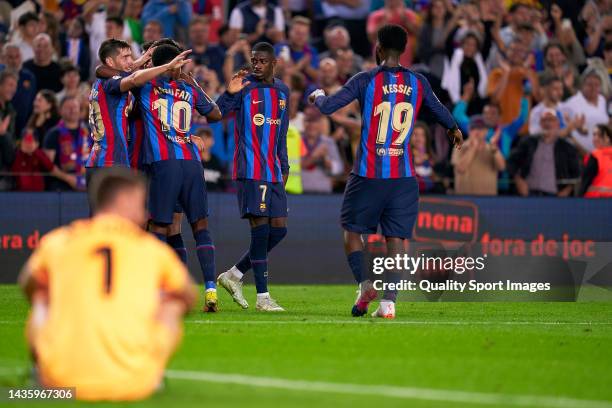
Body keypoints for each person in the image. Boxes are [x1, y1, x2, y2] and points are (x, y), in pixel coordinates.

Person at [308, 24, 462, 319]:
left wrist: (317, 97)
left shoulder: (365, 80)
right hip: (403, 177)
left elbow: (329, 108)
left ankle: (365, 284)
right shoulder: (418, 82)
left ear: (378, 48)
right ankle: (389, 303)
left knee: (352, 232)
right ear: (404, 49)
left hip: (368, 174)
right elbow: (439, 109)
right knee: (397, 240)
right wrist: (453, 128)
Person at [19, 168, 196, 401]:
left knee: (43, 293)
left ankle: (41, 369)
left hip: (60, 381)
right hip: (134, 383)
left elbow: (27, 283)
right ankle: (153, 374)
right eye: (141, 203)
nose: (145, 214)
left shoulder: (60, 240)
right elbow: (189, 296)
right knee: (172, 301)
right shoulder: (151, 250)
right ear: (125, 201)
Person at [131, 44, 222, 312]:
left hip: (164, 163)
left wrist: (145, 65)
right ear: (173, 64)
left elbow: (124, 79)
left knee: (159, 228)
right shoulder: (188, 88)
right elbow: (215, 114)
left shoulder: (145, 87)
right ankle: (210, 291)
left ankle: (159, 291)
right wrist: (191, 80)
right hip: (192, 163)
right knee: (200, 227)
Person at [216, 42, 291, 312]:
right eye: (253, 60)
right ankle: (263, 298)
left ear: (274, 63)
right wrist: (228, 92)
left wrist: (285, 167)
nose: (256, 65)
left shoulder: (283, 91)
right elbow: (217, 114)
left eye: (261, 61)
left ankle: (234, 275)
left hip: (273, 170)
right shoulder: (244, 86)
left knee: (279, 230)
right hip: (250, 170)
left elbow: (282, 133)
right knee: (260, 233)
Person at [85, 39, 188, 199]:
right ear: (110, 61)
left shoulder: (101, 83)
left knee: (101, 221)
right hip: (110, 161)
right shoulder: (110, 83)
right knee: (114, 221)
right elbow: (133, 79)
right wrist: (167, 66)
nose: (130, 61)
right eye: (125, 57)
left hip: (98, 159)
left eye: (130, 56)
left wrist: (139, 61)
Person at [508, 109, 580, 197]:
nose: (547, 123)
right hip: (530, 194)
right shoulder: (528, 142)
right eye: (544, 120)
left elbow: (576, 173)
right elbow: (511, 162)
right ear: (540, 124)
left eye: (551, 120)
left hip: (555, 196)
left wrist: (567, 190)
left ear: (558, 123)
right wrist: (518, 180)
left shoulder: (567, 148)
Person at [42, 96, 90, 191]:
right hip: (62, 183)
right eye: (68, 107)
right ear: (60, 111)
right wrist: (69, 179)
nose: (72, 110)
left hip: (88, 179)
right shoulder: (53, 134)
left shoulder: (90, 131)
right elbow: (48, 165)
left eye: (75, 107)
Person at [452, 115, 505, 196]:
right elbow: (460, 169)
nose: (477, 132)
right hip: (465, 200)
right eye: (474, 128)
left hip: (489, 200)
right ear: (469, 130)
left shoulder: (492, 148)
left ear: (486, 131)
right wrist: (473, 148)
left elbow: (502, 167)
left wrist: (494, 148)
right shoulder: (459, 147)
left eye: (481, 129)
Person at [561, 69, 609, 154]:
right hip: (578, 153)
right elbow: (564, 130)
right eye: (589, 85)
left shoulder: (602, 100)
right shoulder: (571, 103)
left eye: (597, 85)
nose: (593, 88)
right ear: (582, 85)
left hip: (602, 153)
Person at [580, 124, 612, 197]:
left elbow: (585, 183)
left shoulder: (595, 156)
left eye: (599, 135)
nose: (595, 138)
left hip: (595, 204)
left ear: (608, 138)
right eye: (594, 135)